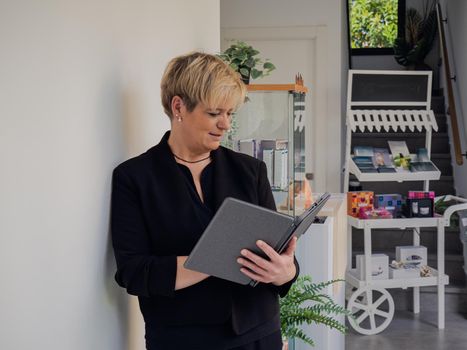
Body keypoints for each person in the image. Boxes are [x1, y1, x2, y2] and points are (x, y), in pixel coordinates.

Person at [111, 52, 299, 350]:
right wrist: (216, 259)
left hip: (258, 334)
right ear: (178, 107)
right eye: (214, 113)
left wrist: (285, 271)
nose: (225, 124)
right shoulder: (134, 178)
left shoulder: (250, 171)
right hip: (181, 340)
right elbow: (135, 273)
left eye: (230, 114)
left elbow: (280, 257)